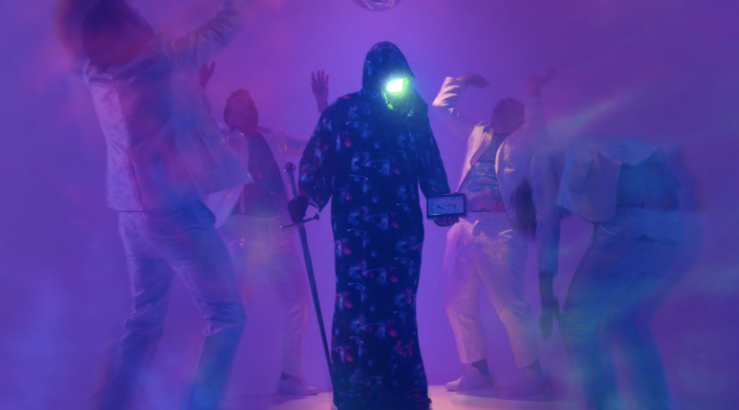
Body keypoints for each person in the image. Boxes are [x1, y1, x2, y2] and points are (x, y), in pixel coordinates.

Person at [79, 1, 251, 409]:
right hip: (175, 213)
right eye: (135, 19)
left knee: (143, 321)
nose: (144, 23)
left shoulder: (96, 75)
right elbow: (221, 29)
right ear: (126, 30)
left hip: (132, 216)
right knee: (227, 316)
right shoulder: (158, 60)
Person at [288, 41, 457, 410]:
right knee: (356, 304)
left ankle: (401, 392)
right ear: (373, 75)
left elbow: (429, 163)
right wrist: (306, 195)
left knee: (398, 307)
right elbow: (319, 156)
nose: (397, 84)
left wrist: (442, 203)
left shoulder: (413, 112)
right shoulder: (342, 111)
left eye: (401, 78)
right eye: (390, 77)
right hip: (355, 230)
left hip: (402, 231)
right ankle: (356, 393)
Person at [201, 67, 332, 395]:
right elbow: (199, 126)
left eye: (251, 102)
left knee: (298, 303)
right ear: (229, 117)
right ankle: (210, 386)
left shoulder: (275, 136)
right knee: (231, 310)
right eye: (240, 104)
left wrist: (322, 106)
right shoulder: (226, 140)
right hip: (244, 232)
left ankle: (290, 379)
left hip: (279, 231)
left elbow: (317, 143)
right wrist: (199, 89)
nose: (249, 106)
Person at [532, 137, 684, 410]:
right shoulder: (583, 144)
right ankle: (657, 405)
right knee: (626, 324)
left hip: (628, 226)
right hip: (670, 226)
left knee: (576, 324)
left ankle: (602, 405)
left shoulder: (539, 168)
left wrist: (546, 292)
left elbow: (548, 223)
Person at [431, 70, 553, 395]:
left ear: (521, 116)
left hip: (501, 228)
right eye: (500, 103)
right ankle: (477, 372)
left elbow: (539, 129)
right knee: (456, 302)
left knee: (509, 303)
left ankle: (534, 376)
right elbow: (440, 110)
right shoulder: (478, 132)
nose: (502, 105)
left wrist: (533, 93)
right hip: (463, 226)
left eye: (512, 104)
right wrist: (461, 81)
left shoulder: (525, 140)